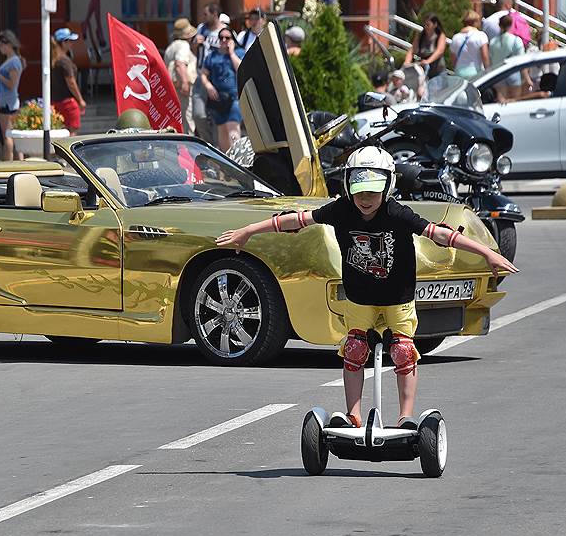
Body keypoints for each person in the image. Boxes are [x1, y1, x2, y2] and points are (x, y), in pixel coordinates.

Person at [216, 146, 518, 429]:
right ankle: (353, 415)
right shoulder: (341, 210)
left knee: (402, 351)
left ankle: (405, 418)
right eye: (360, 190)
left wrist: (488, 253)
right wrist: (248, 232)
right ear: (348, 185)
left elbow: (439, 234)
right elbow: (296, 220)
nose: (366, 198)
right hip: (359, 299)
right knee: (355, 349)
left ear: (387, 187)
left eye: (373, 191)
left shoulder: (397, 214)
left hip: (397, 299)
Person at [200, 27, 244, 152]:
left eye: (227, 37)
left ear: (233, 39)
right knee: (222, 133)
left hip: (234, 98)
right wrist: (208, 86)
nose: (224, 40)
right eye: (221, 38)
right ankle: (226, 163)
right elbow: (203, 74)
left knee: (233, 130)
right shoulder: (212, 56)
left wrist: (231, 53)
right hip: (218, 99)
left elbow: (241, 70)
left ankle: (238, 161)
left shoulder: (239, 52)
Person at [192, 3, 225, 145]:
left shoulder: (225, 33)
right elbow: (194, 51)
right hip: (201, 76)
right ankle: (208, 143)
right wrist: (194, 44)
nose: (203, 17)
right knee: (198, 114)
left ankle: (217, 148)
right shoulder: (201, 29)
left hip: (217, 79)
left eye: (206, 14)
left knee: (217, 116)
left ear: (215, 14)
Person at [50, 28, 86, 136]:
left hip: (56, 101)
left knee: (59, 133)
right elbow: (71, 82)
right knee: (72, 134)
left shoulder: (54, 60)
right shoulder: (64, 61)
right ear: (63, 43)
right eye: (69, 41)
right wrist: (80, 100)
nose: (72, 44)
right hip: (68, 103)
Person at [164, 18, 197, 135]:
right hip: (182, 87)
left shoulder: (171, 47)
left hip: (173, 86)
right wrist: (185, 83)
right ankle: (189, 145)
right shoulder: (183, 45)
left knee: (178, 116)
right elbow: (180, 63)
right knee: (187, 117)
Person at [0, 30, 24, 161]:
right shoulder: (12, 60)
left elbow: (11, 84)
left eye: (0, 45)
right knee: (11, 135)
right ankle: (18, 160)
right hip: (9, 101)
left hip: (8, 102)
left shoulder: (13, 62)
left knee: (7, 135)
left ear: (7, 44)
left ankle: (8, 162)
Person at [489, 14, 530, 100]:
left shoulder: (492, 42)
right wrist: (527, 79)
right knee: (513, 103)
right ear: (511, 25)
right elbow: (521, 61)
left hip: (498, 75)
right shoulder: (516, 40)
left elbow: (490, 62)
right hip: (513, 74)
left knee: (501, 104)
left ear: (499, 25)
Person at [404, 14, 447, 79]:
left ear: (435, 25)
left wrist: (428, 61)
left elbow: (439, 51)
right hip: (424, 71)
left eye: (428, 25)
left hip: (438, 71)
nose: (426, 27)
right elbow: (412, 50)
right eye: (425, 24)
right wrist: (407, 62)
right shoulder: (421, 36)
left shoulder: (440, 36)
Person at [451, 11, 490, 81]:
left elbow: (454, 60)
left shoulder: (455, 38)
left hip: (459, 72)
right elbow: (485, 56)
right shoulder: (481, 35)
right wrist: (488, 71)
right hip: (475, 72)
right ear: (475, 22)